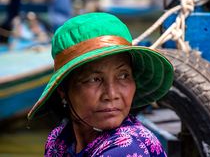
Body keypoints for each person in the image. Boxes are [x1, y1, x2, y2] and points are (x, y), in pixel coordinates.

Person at [27, 12, 174, 156]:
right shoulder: (58, 141)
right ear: (63, 89)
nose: (111, 94)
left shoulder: (128, 148)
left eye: (123, 76)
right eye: (94, 79)